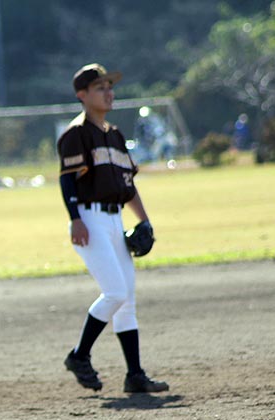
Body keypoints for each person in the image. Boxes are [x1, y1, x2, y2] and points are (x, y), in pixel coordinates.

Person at [57, 63, 169, 394]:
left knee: (127, 299)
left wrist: (144, 220)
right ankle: (79, 356)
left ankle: (135, 375)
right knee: (115, 293)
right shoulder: (76, 134)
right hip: (89, 219)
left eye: (109, 87)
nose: (109, 93)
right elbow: (67, 180)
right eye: (100, 88)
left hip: (114, 219)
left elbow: (127, 186)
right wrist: (75, 218)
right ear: (82, 95)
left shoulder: (115, 135)